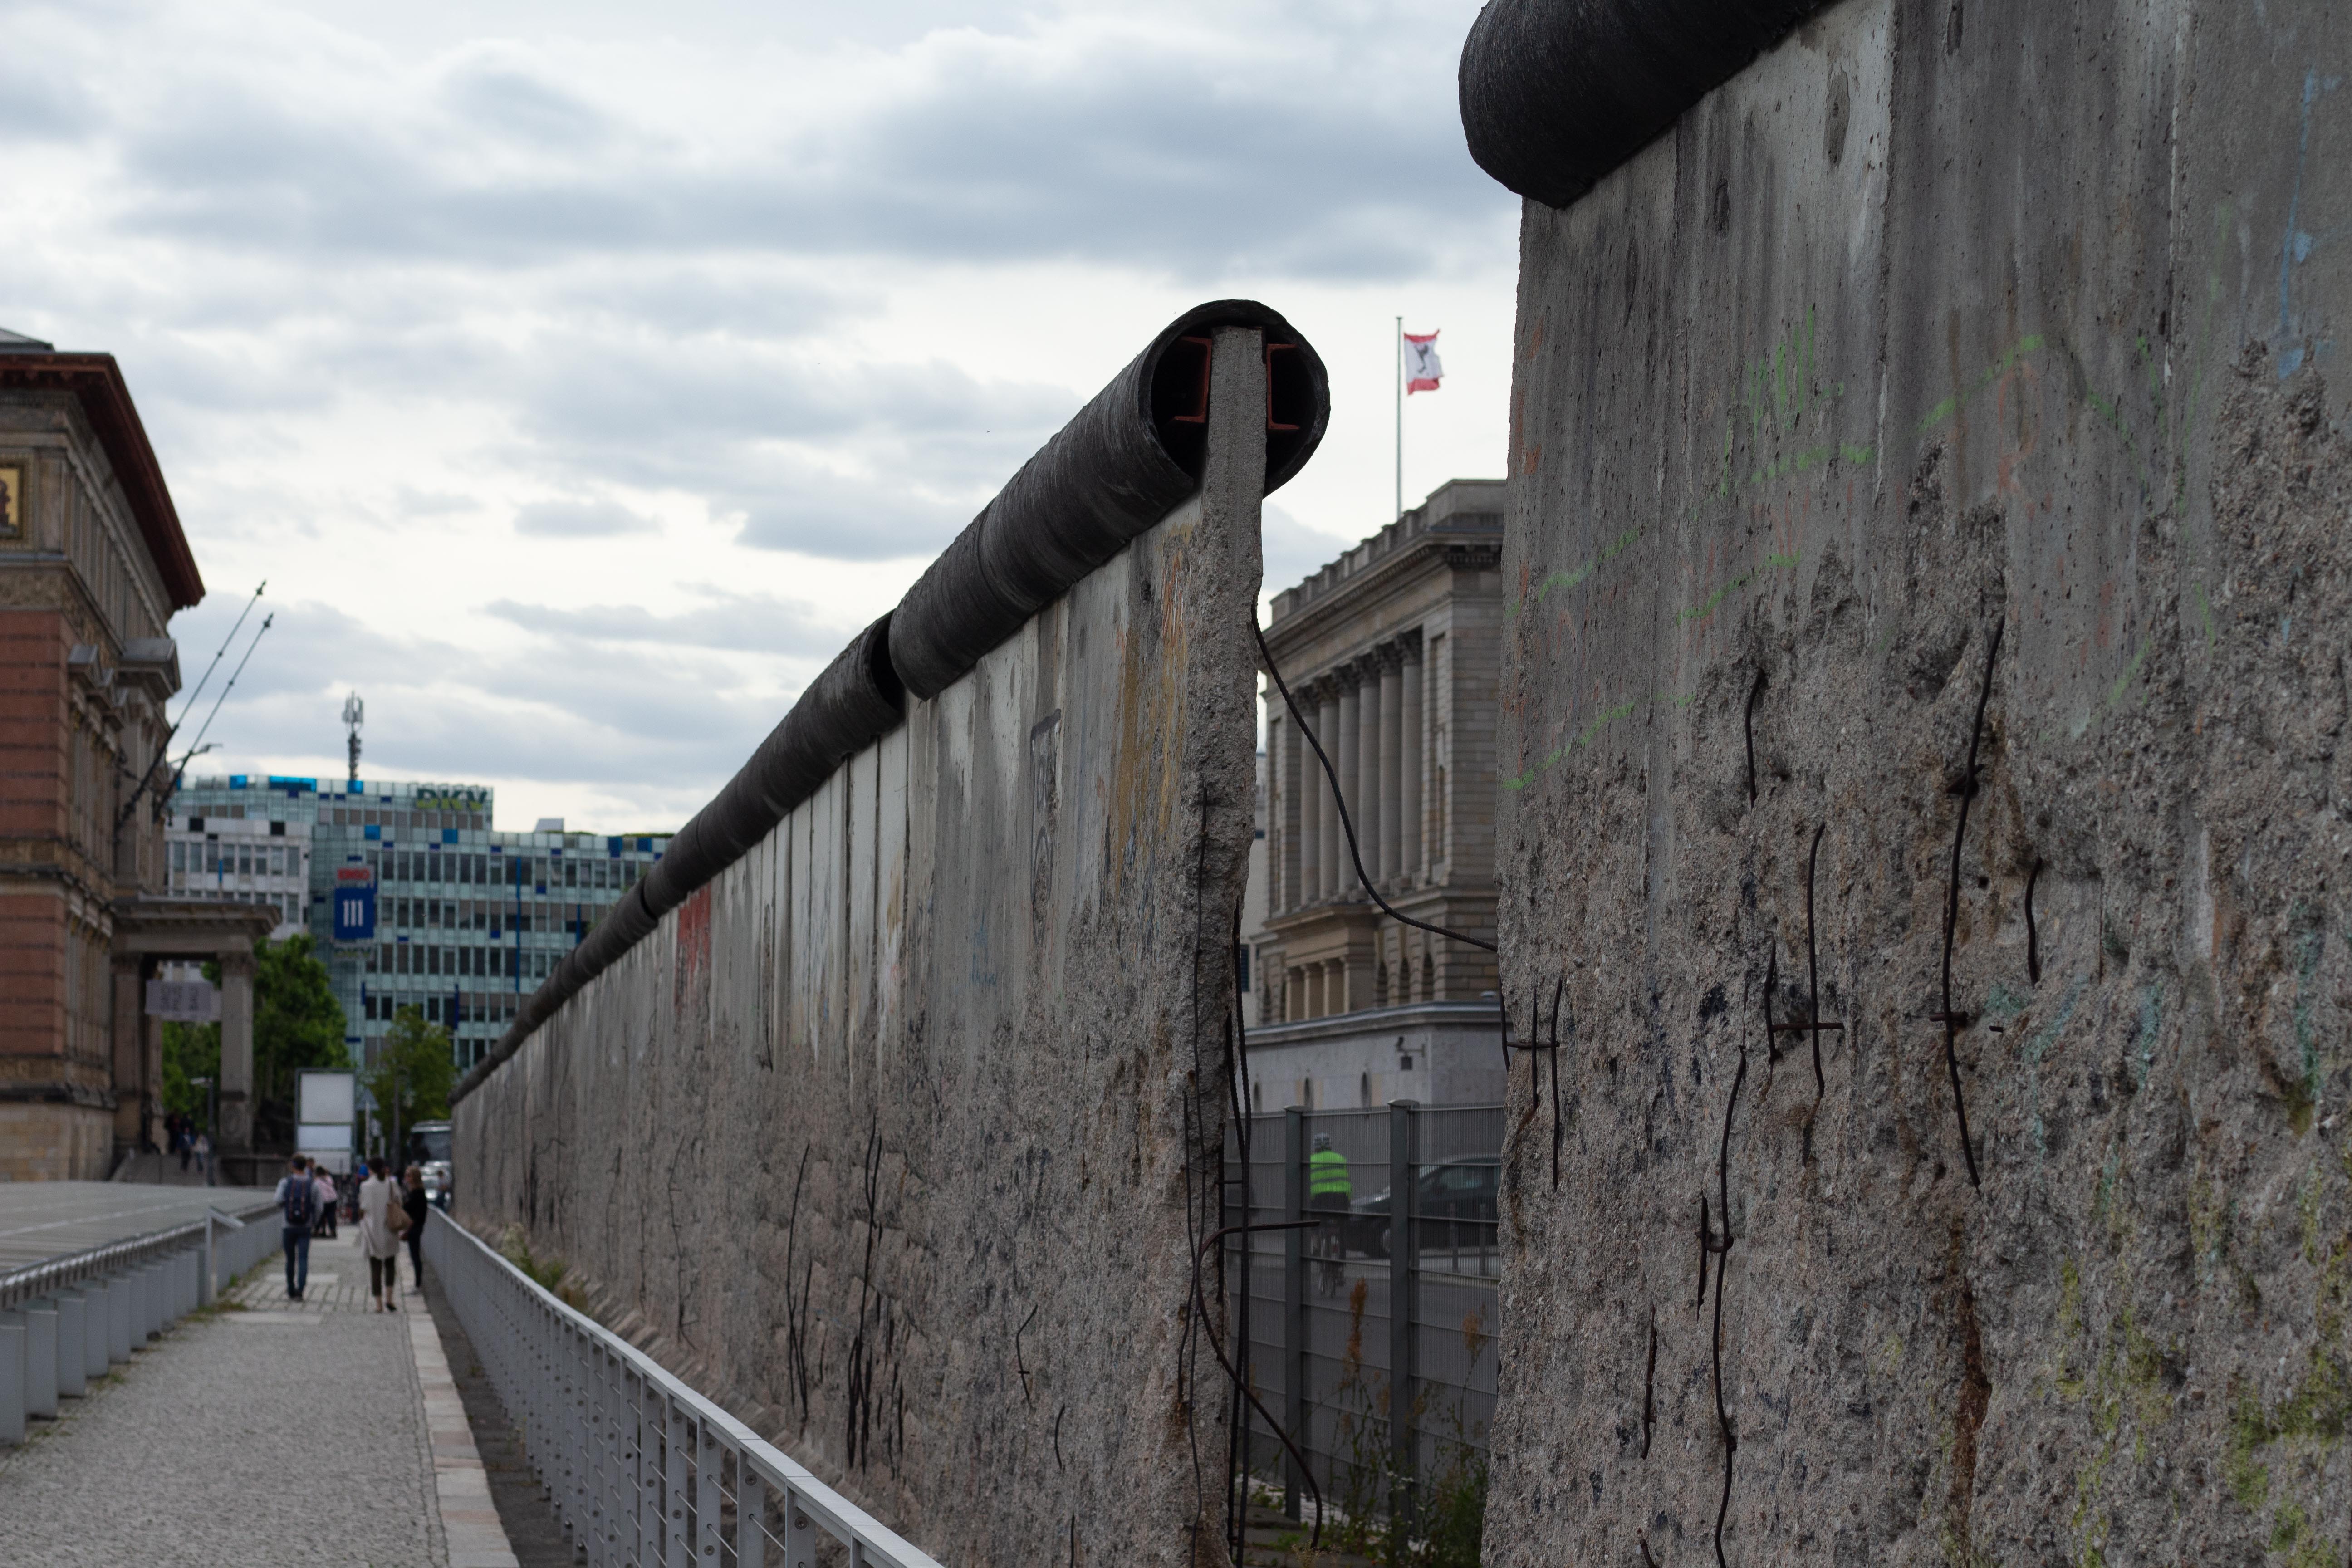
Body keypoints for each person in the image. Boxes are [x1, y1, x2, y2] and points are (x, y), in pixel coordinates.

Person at [358, 1156, 403, 1312]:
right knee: (390, 1265)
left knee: (375, 1268)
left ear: (370, 1169)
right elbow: (399, 1202)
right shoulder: (391, 1183)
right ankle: (390, 1298)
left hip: (372, 1229)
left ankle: (378, 1304)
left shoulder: (365, 1186)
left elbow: (363, 1207)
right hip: (390, 1228)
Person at [274, 1154, 318, 1301]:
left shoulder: (285, 1182)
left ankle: (291, 1289)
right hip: (305, 1227)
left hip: (288, 1225)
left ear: (293, 1166)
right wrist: (313, 1222)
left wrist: (288, 1208)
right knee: (303, 1258)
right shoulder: (313, 1184)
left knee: (290, 1259)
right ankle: (301, 1290)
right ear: (305, 1166)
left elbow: (278, 1200)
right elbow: (319, 1206)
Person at [401, 1165, 430, 1292]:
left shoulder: (418, 1193)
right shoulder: (413, 1192)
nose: (407, 1178)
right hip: (414, 1227)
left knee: (416, 1256)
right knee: (414, 1256)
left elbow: (418, 1214)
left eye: (409, 1175)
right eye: (406, 1175)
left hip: (415, 1227)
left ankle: (418, 1285)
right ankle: (417, 1283)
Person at [311, 1164, 339, 1239]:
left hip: (324, 1201)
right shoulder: (329, 1178)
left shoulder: (317, 1181)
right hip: (333, 1199)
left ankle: (319, 1231)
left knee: (321, 1216)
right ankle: (333, 1231)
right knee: (331, 1216)